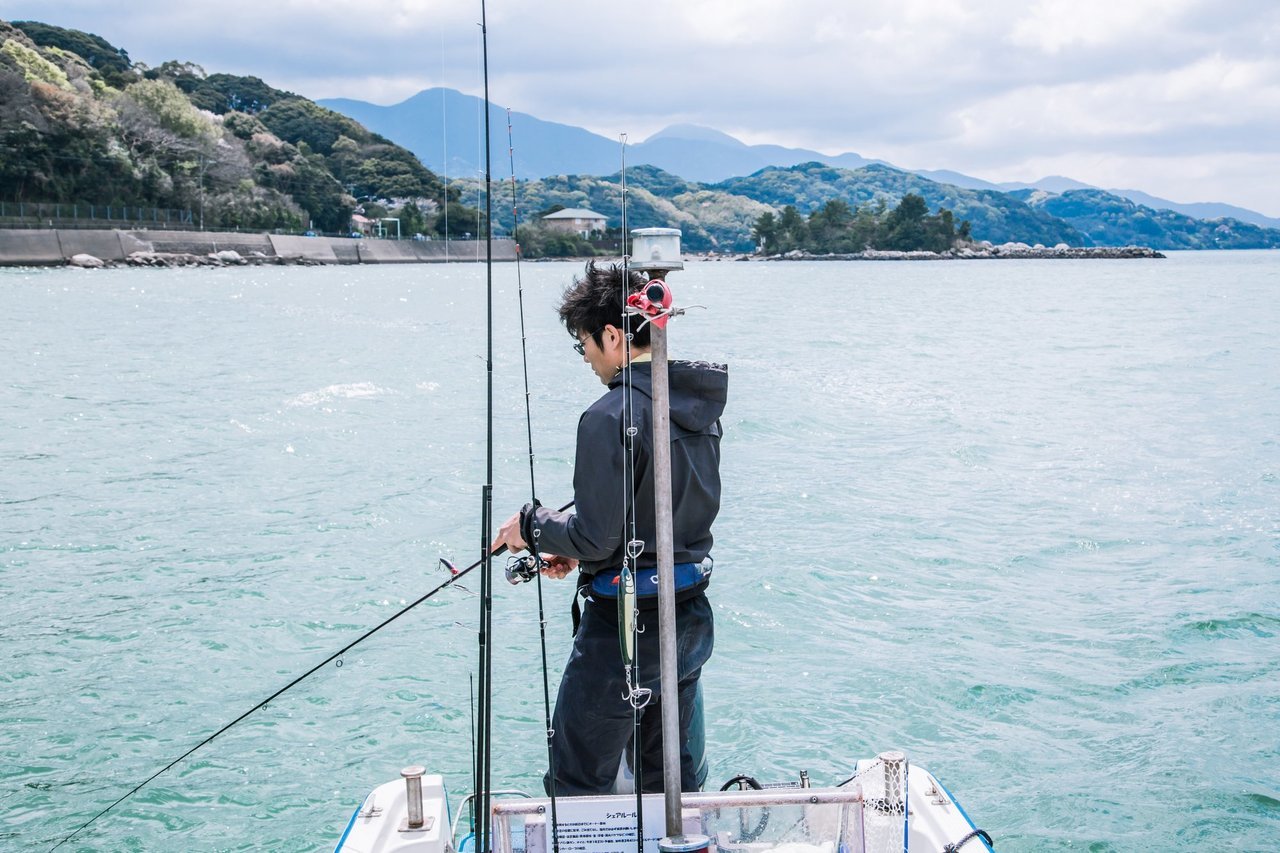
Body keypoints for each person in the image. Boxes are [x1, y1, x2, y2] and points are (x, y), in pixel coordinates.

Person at [491, 261, 728, 796]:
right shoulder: (698, 409)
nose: (588, 360)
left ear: (614, 335)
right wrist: (582, 548)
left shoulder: (607, 415)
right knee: (668, 773)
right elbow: (655, 513)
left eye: (585, 345)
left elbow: (598, 536)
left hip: (625, 627)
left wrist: (532, 527)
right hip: (689, 613)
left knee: (577, 776)